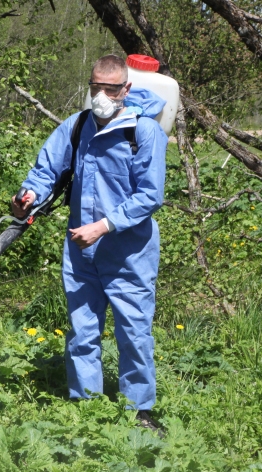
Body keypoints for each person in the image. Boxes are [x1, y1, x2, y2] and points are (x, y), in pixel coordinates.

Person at [13, 54, 168, 428]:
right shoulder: (77, 125)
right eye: (95, 87)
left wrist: (104, 226)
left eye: (110, 89)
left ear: (125, 89)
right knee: (82, 331)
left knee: (133, 333)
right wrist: (29, 195)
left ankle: (139, 411)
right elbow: (47, 169)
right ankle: (87, 410)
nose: (101, 95)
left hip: (128, 253)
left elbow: (150, 195)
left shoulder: (143, 132)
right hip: (81, 252)